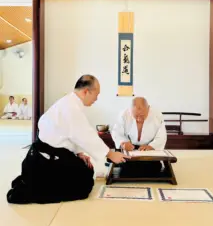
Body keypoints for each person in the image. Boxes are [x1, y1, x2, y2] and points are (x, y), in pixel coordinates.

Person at [7, 75, 129, 204]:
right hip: (47, 158)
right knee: (84, 183)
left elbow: (72, 134)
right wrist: (110, 154)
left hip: (47, 154)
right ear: (86, 92)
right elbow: (85, 135)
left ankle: (33, 181)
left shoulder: (69, 102)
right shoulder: (71, 107)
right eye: (96, 94)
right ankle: (30, 190)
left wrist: (79, 153)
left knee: (86, 169)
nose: (96, 99)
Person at [111, 97, 167, 177]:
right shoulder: (124, 114)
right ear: (131, 110)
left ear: (148, 108)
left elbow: (162, 135)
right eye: (136, 116)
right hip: (130, 149)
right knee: (126, 168)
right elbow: (116, 132)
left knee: (154, 168)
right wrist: (123, 143)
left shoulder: (157, 115)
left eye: (142, 116)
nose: (139, 119)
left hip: (148, 149)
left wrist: (151, 146)